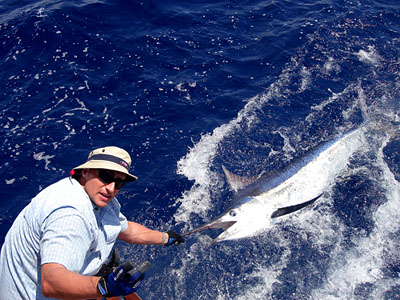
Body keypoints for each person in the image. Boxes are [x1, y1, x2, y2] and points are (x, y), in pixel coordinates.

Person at [0, 146, 184, 300]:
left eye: (119, 183)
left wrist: (166, 237)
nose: (111, 188)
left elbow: (126, 229)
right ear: (85, 171)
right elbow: (51, 282)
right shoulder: (70, 214)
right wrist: (104, 286)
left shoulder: (97, 196)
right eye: (105, 176)